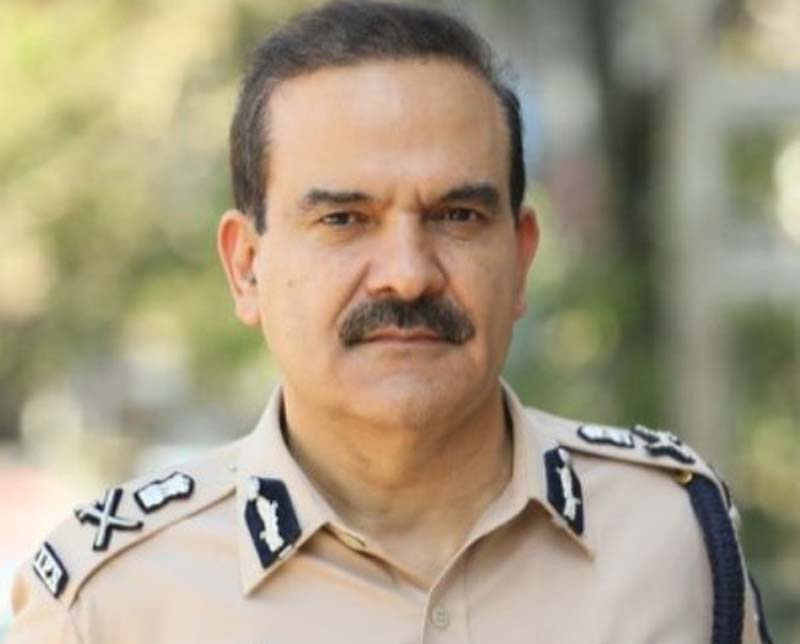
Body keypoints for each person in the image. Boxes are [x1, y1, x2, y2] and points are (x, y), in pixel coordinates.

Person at [6, 2, 772, 643]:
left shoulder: (673, 537)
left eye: (458, 215)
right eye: (344, 219)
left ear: (520, 258)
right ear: (246, 267)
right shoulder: (110, 605)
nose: (408, 273)